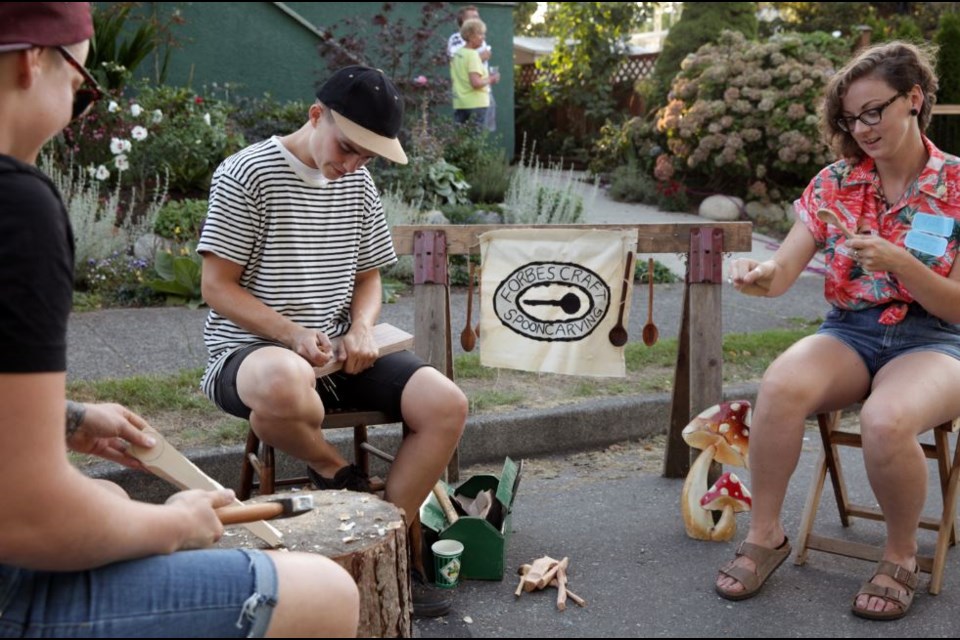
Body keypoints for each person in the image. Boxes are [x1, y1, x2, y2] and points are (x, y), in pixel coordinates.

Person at [0, 3, 359, 637]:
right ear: (33, 60)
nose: (78, 106)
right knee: (327, 591)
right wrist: (176, 522)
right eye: (84, 88)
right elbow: (27, 516)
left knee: (108, 499)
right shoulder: (15, 206)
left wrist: (72, 419)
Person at [197, 65, 468, 617]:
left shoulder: (359, 184)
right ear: (316, 115)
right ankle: (336, 473)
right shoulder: (247, 173)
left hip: (337, 355)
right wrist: (292, 334)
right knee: (284, 380)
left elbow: (369, 276)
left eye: (366, 157)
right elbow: (216, 287)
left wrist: (362, 328)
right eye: (347, 149)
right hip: (249, 356)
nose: (352, 166)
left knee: (446, 404)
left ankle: (383, 542)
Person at [716, 41, 960, 621]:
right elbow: (783, 274)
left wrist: (901, 262)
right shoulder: (835, 182)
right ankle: (766, 535)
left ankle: (900, 555)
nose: (863, 128)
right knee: (778, 388)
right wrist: (760, 276)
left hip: (937, 339)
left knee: (886, 419)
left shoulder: (956, 185)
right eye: (852, 118)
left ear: (915, 100)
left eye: (875, 111)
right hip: (851, 331)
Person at [447, 4, 496, 132]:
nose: (477, 19)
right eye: (473, 17)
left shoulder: (477, 44)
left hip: (480, 94)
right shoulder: (457, 40)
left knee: (469, 137)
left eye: (478, 17)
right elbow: (459, 61)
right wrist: (491, 78)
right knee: (475, 138)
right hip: (473, 97)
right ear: (463, 19)